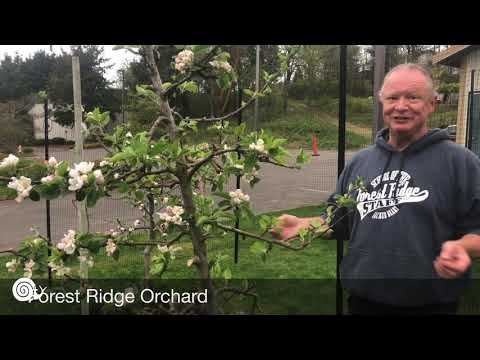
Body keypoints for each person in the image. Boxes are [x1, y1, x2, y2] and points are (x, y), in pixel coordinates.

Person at [273, 63, 480, 315]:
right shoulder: (361, 162)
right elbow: (340, 221)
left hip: (433, 304)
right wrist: (304, 226)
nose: (401, 106)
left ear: (431, 105)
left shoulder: (460, 162)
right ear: (383, 103)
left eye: (413, 97)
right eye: (393, 97)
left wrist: (464, 248)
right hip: (363, 302)